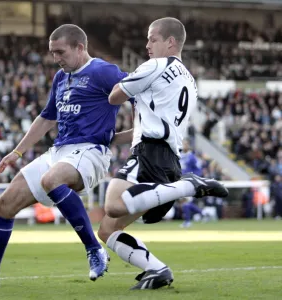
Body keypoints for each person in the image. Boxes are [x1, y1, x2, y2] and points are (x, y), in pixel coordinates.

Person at [0, 24, 132, 286]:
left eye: (60, 52)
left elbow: (138, 93)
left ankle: (94, 250)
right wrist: (17, 152)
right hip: (60, 151)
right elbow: (46, 118)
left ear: (80, 48)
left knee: (52, 180)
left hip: (91, 152)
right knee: (3, 206)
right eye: (52, 53)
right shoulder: (61, 77)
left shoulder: (103, 71)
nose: (55, 58)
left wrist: (138, 133)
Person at [97, 17, 228, 290]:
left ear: (170, 42)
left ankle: (187, 186)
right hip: (168, 159)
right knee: (108, 229)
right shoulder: (189, 81)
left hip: (150, 154)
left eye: (152, 39)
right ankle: (157, 270)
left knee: (112, 204)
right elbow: (155, 123)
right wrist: (114, 139)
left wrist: (124, 86)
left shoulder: (157, 65)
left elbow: (114, 96)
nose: (147, 45)